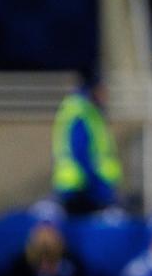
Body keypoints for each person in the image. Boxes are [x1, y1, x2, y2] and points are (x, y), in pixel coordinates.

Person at [50, 70, 123, 214]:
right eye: (103, 89)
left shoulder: (85, 110)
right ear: (93, 89)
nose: (106, 95)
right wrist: (99, 189)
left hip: (80, 187)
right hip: (80, 189)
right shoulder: (82, 112)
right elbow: (81, 153)